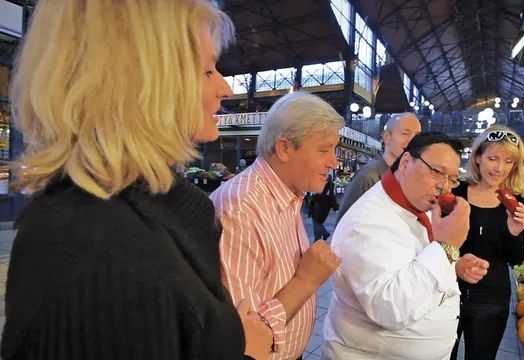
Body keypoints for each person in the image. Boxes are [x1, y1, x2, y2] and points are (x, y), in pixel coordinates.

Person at [1, 1, 272, 359]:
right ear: (139, 81)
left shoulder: (141, 213)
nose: (226, 88)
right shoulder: (97, 253)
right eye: (207, 70)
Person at [321, 132, 490, 360]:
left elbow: (412, 261)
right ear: (406, 163)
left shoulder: (418, 204)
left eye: (451, 179)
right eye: (438, 172)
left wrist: (453, 264)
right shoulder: (367, 221)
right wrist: (447, 247)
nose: (444, 188)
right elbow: (390, 308)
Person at [210, 91, 343, 360]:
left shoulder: (289, 194)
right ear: (284, 148)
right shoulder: (241, 209)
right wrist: (306, 281)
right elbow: (242, 337)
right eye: (323, 150)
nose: (333, 162)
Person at [449, 125, 524, 360]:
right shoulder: (456, 192)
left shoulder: (519, 200)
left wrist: (515, 232)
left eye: (508, 161)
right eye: (492, 158)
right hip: (448, 288)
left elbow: (516, 258)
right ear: (477, 157)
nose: (499, 168)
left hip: (492, 295)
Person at [335, 112, 421, 223]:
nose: (412, 141)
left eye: (417, 136)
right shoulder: (368, 177)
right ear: (387, 137)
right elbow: (344, 224)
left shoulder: (409, 178)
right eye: (405, 133)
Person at [309, 175, 339, 241]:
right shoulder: (319, 185)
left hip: (322, 209)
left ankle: (318, 239)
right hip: (315, 207)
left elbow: (332, 198)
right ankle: (323, 235)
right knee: (316, 223)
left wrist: (335, 208)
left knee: (316, 223)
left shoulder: (329, 188)